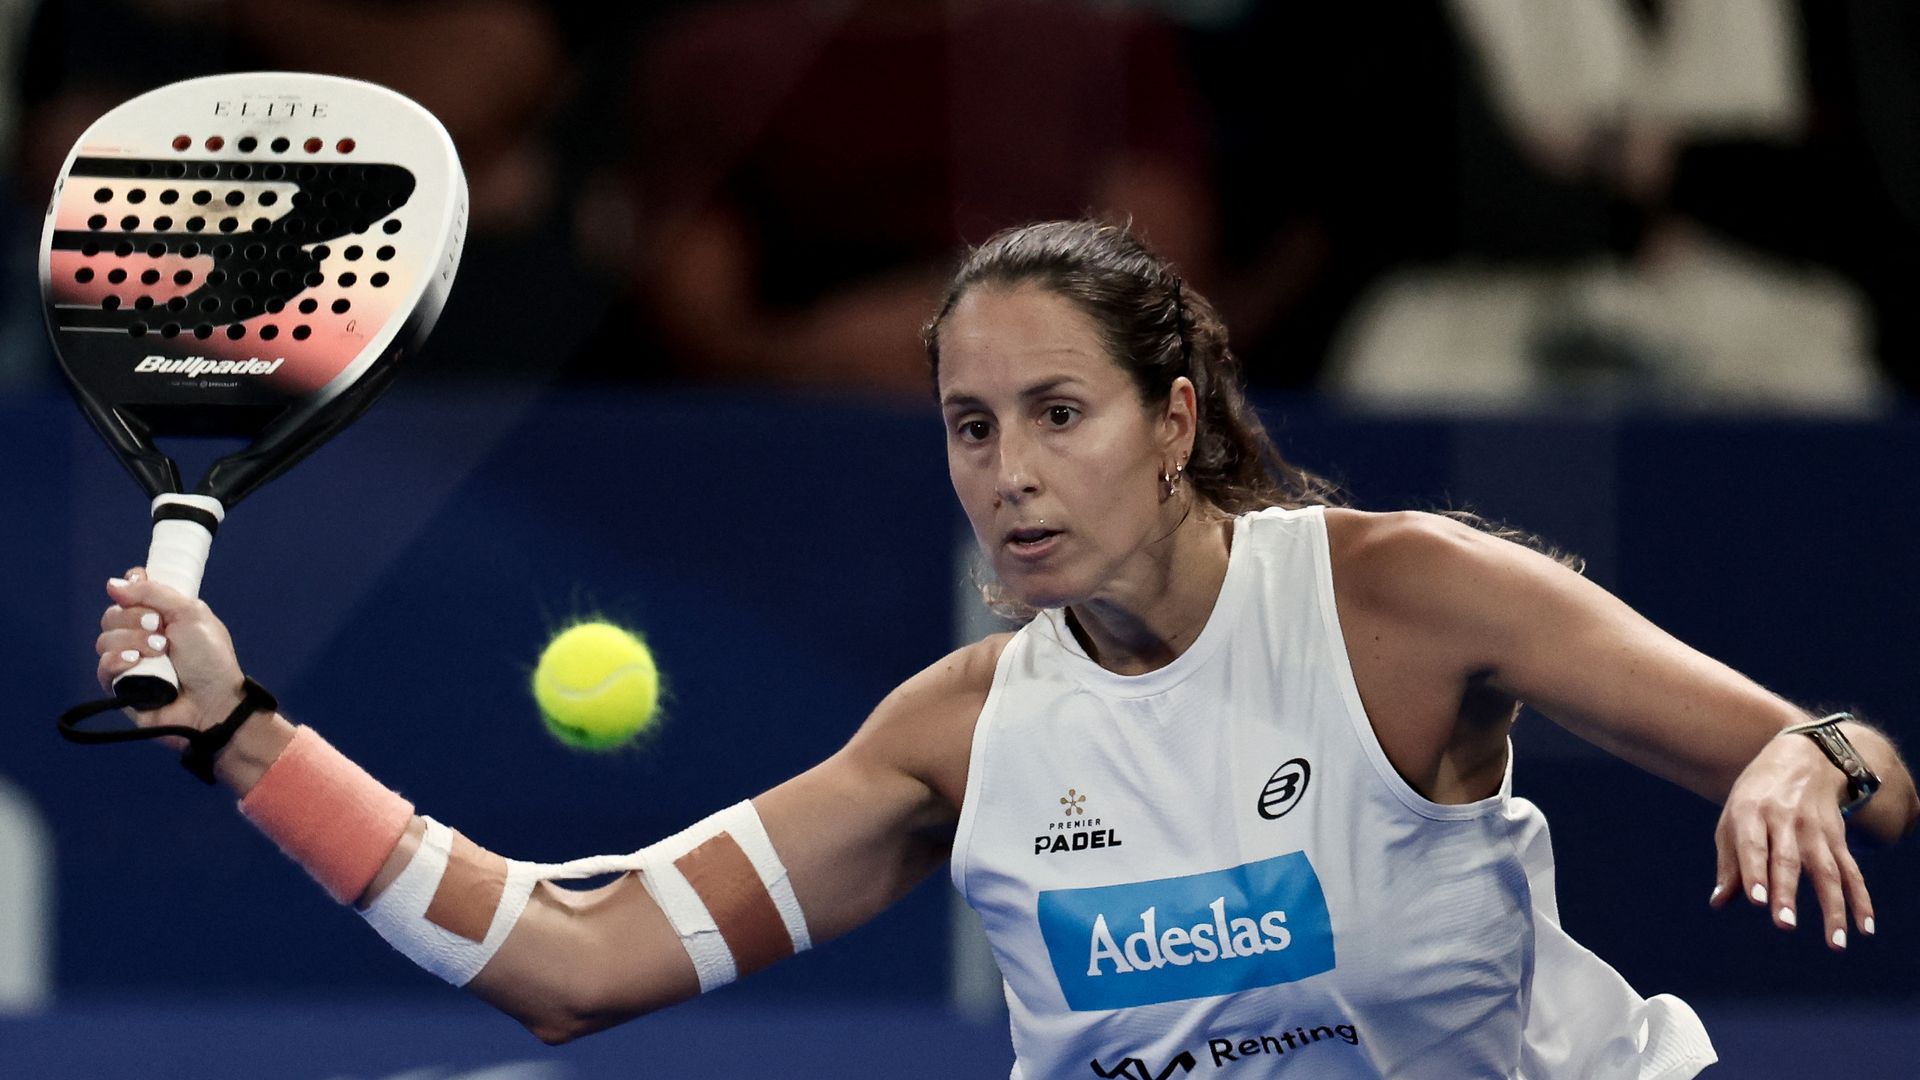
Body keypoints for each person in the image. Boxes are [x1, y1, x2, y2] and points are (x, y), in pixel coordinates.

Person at [90, 220, 1916, 1078]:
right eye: (973, 428)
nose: (1012, 476)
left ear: (1179, 415)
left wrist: (1801, 757)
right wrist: (245, 732)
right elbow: (576, 960)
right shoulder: (961, 734)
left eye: (1060, 414)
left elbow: (1859, 756)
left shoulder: (1399, 599)